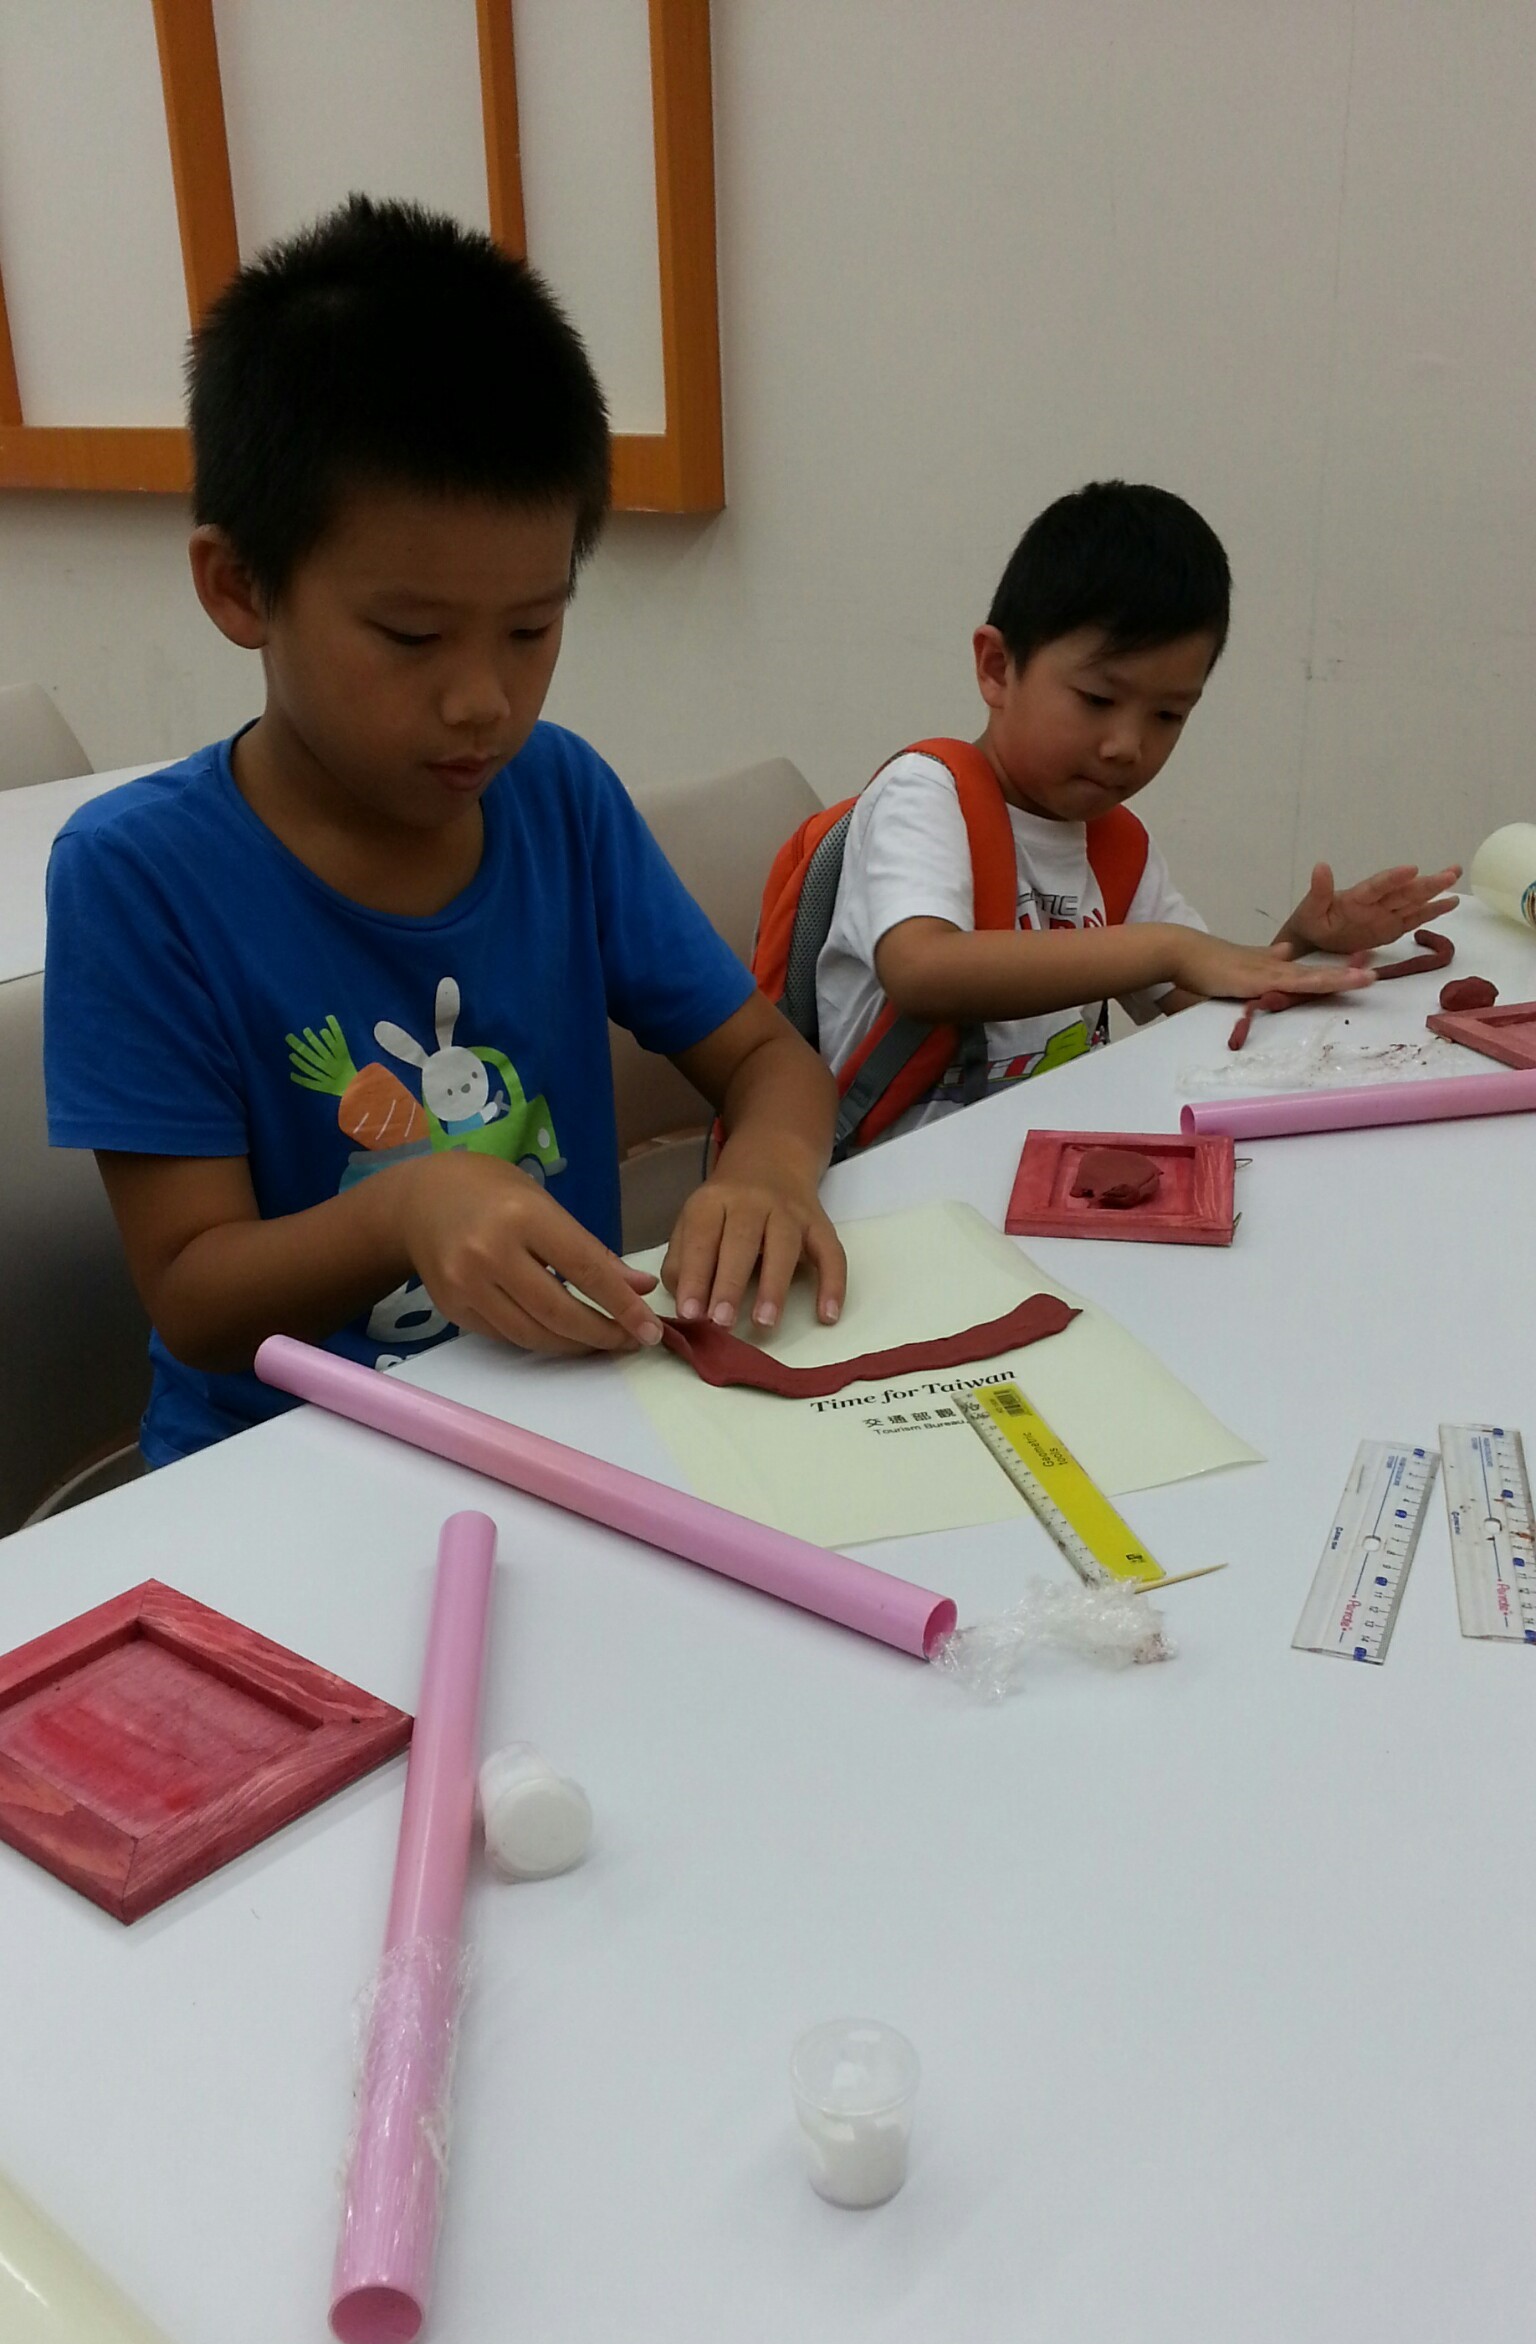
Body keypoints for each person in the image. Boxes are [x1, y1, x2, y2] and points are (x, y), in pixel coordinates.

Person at [45, 197, 845, 1467]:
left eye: (531, 629)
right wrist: (401, 1206)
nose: (483, 700)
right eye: (412, 637)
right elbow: (192, 1296)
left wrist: (770, 1170)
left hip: (562, 1423)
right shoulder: (140, 877)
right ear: (240, 587)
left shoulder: (560, 798)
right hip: (282, 1465)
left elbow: (767, 1059)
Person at [814, 481, 1458, 1139]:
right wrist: (1166, 948)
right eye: (1097, 699)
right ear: (998, 668)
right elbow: (920, 970)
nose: (1128, 746)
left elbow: (1202, 993)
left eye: (1168, 715)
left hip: (1043, 1160)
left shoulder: (1115, 847)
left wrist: (1304, 941)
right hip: (894, 1174)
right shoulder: (926, 796)